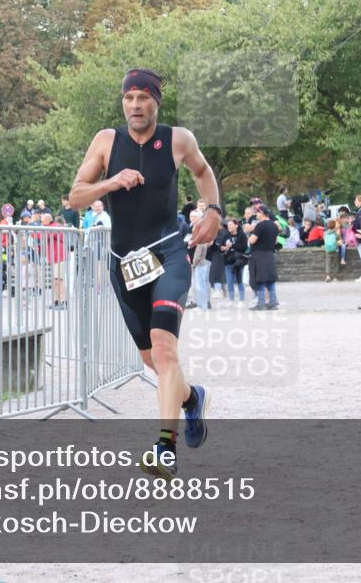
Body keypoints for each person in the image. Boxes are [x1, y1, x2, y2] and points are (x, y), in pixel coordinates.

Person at [68, 68, 219, 479]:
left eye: (143, 98)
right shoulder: (106, 141)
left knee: (166, 350)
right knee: (153, 360)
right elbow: (76, 196)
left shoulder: (178, 139)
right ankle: (191, 399)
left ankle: (164, 448)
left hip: (168, 254)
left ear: (156, 101)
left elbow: (203, 173)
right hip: (123, 264)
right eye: (129, 98)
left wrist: (214, 210)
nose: (135, 105)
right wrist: (110, 183)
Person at [248, 205, 279, 310]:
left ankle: (261, 303)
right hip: (270, 254)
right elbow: (276, 241)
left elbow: (252, 240)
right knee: (270, 280)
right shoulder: (274, 226)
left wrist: (250, 234)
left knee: (259, 280)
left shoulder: (260, 226)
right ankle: (273, 302)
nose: (256, 214)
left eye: (257, 212)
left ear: (262, 213)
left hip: (259, 255)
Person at [219, 218, 248, 305]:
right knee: (229, 281)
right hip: (228, 260)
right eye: (228, 226)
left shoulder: (242, 235)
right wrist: (222, 248)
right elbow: (221, 246)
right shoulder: (226, 235)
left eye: (231, 225)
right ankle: (231, 300)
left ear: (236, 225)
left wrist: (232, 246)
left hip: (238, 261)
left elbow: (244, 248)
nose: (229, 227)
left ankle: (241, 300)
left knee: (239, 280)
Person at [189, 210, 212, 311]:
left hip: (200, 261)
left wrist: (195, 261)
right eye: (191, 217)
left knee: (201, 284)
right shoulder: (191, 228)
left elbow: (200, 246)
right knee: (197, 284)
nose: (192, 218)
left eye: (195, 217)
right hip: (192, 260)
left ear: (200, 218)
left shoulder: (201, 228)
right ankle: (200, 303)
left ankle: (203, 305)